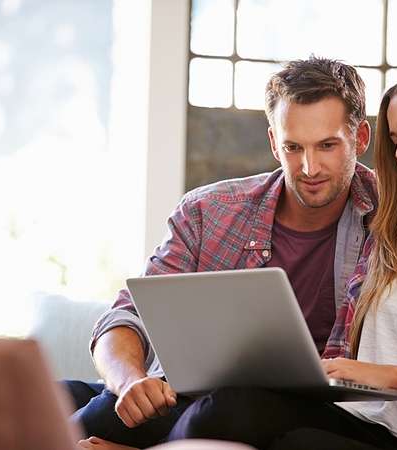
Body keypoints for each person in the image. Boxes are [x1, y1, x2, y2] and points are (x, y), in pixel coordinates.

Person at [165, 58, 397, 450]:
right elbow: (340, 349)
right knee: (228, 406)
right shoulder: (396, 228)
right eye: (396, 139)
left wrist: (392, 376)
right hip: (350, 421)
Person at [66, 56, 377, 449]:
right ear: (273, 143)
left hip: (288, 411)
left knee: (223, 409)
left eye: (327, 146)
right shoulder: (208, 211)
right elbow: (127, 315)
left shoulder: (390, 218)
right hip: (182, 393)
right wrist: (130, 381)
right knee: (74, 402)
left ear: (360, 138)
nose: (309, 167)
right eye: (293, 147)